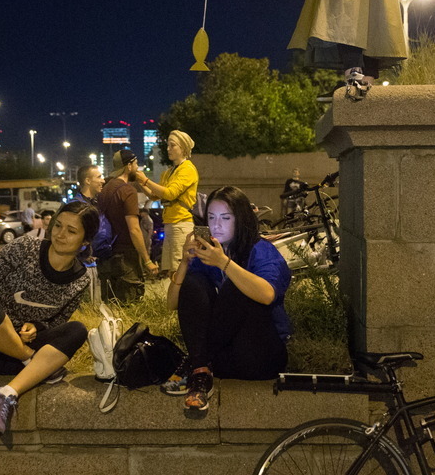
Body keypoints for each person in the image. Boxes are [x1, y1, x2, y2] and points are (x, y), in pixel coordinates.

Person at [0, 201, 99, 433]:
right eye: (58, 225)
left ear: (85, 241)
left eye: (71, 231)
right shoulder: (26, 247)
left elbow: (57, 323)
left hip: (15, 363)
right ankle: (30, 359)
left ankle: (7, 393)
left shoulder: (80, 278)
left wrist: (36, 326)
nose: (60, 234)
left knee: (77, 330)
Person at [164, 185, 292, 414]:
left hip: (261, 356)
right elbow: (172, 304)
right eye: (211, 217)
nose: (216, 225)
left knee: (237, 286)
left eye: (225, 217)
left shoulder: (260, 250)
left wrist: (224, 263)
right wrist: (184, 263)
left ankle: (195, 362)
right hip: (224, 358)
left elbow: (267, 294)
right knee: (193, 281)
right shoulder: (209, 254)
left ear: (241, 219)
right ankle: (200, 370)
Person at [96, 149, 159, 302]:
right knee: (130, 304)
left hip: (106, 254)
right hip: (125, 257)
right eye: (136, 164)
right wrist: (147, 261)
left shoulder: (105, 188)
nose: (137, 168)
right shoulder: (127, 190)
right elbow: (134, 229)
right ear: (129, 166)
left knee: (111, 306)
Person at [136, 130, 199, 275]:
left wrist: (145, 180)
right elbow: (154, 195)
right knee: (172, 270)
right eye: (168, 145)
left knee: (180, 269)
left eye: (172, 145)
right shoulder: (169, 171)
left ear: (183, 148)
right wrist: (141, 181)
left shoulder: (187, 169)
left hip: (182, 223)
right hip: (171, 223)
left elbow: (170, 194)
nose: (168, 149)